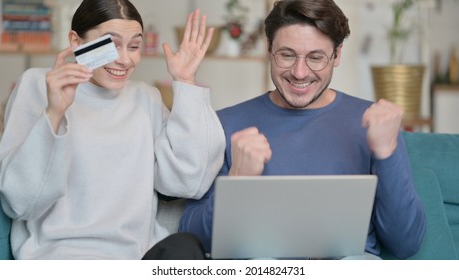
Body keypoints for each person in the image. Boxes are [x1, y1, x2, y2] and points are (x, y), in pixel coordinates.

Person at [179, 0, 426, 260]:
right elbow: (191, 236)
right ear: (268, 48)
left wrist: (387, 154)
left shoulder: (373, 123)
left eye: (316, 58)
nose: (299, 72)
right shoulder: (224, 124)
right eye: (287, 55)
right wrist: (237, 182)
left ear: (337, 55)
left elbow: (405, 244)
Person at [0, 0, 225, 259]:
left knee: (186, 248)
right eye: (111, 44)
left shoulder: (146, 98)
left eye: (135, 46)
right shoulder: (38, 85)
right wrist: (54, 113)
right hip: (60, 257)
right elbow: (19, 202)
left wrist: (185, 82)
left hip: (135, 257)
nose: (125, 59)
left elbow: (188, 182)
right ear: (76, 41)